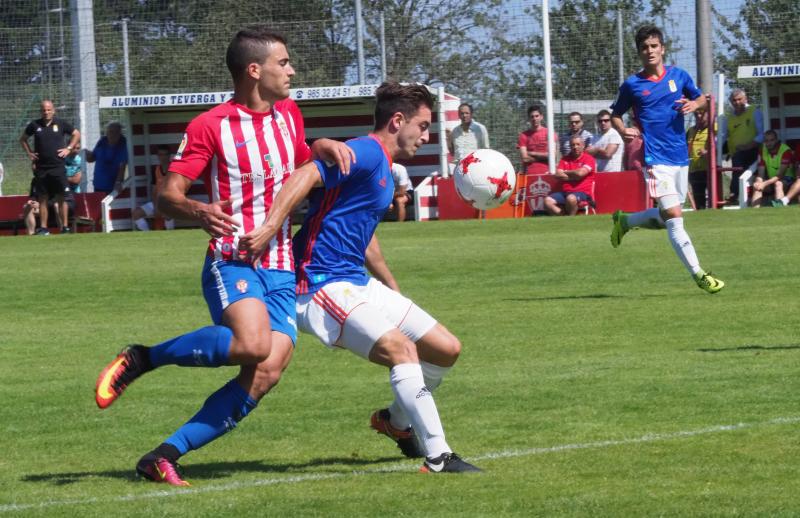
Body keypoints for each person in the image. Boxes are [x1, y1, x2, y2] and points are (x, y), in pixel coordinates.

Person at [93, 26, 353, 487]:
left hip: (280, 267)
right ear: (255, 70)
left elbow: (294, 161)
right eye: (284, 63)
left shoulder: (289, 114)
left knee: (266, 371)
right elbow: (168, 193)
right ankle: (144, 357)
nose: (292, 70)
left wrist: (321, 146)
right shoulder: (210, 126)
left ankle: (163, 455)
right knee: (253, 345)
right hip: (232, 260)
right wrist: (197, 208)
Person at [238, 82, 481, 474]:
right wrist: (270, 228)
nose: (426, 135)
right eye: (422, 125)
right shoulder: (367, 152)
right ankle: (439, 456)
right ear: (397, 120)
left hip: (356, 281)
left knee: (446, 348)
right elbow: (303, 176)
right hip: (319, 283)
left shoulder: (385, 165)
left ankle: (395, 423)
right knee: (401, 349)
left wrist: (390, 286)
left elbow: (363, 233)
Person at [609, 24, 724, 294]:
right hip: (654, 158)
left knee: (666, 218)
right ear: (639, 53)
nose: (649, 51)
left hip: (679, 157)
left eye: (653, 46)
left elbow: (703, 99)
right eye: (644, 48)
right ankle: (699, 274)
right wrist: (622, 129)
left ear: (662, 48)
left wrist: (694, 105)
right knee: (674, 217)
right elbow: (616, 113)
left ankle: (625, 222)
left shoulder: (679, 76)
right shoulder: (632, 85)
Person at [19, 99, 80, 235]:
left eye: (48, 109)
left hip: (58, 167)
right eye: (43, 110)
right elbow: (23, 139)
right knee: (43, 198)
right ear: (41, 111)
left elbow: (76, 134)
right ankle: (44, 228)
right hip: (42, 168)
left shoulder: (61, 123)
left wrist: (68, 148)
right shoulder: (34, 125)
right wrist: (29, 153)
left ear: (53, 110)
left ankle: (64, 227)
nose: (46, 112)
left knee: (61, 197)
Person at [719, 88, 763, 204]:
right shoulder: (728, 117)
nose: (737, 102)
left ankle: (735, 194)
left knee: (750, 173)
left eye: (739, 99)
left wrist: (749, 145)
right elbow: (722, 136)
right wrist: (713, 148)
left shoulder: (754, 111)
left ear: (745, 99)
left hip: (754, 151)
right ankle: (736, 196)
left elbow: (762, 134)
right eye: (734, 100)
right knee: (738, 170)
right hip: (736, 153)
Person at [545, 135, 596, 216]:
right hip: (566, 192)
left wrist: (565, 172)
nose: (575, 147)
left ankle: (571, 219)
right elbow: (557, 174)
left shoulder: (589, 159)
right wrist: (574, 177)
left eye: (578, 144)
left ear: (583, 146)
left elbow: (580, 173)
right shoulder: (564, 159)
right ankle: (563, 218)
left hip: (583, 193)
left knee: (571, 198)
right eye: (573, 145)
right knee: (548, 201)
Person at [132, 145, 175, 231]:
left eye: (165, 154)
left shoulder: (174, 169)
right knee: (136, 214)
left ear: (169, 156)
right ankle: (148, 234)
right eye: (160, 155)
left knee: (168, 215)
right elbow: (154, 191)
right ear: (157, 156)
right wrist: (156, 206)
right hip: (158, 203)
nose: (162, 157)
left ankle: (170, 234)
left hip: (171, 203)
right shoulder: (156, 170)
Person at [751, 130, 795, 207]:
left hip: (787, 179)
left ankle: (779, 210)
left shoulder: (785, 151)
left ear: (777, 140)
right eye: (766, 141)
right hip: (771, 180)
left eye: (772, 140)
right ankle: (754, 212)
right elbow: (761, 173)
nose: (769, 143)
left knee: (778, 184)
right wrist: (759, 182)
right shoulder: (762, 150)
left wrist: (764, 184)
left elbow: (780, 176)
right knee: (757, 184)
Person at [85, 121, 128, 194]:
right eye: (110, 132)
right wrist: (86, 154)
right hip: (98, 185)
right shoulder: (102, 141)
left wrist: (118, 182)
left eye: (116, 132)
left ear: (120, 133)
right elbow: (92, 158)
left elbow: (122, 166)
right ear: (107, 132)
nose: (113, 134)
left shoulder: (123, 144)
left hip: (112, 188)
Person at [518, 104, 557, 175]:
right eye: (532, 116)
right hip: (530, 174)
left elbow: (552, 156)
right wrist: (545, 158)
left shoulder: (550, 133)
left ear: (541, 117)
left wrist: (531, 153)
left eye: (537, 116)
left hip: (548, 172)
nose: (534, 119)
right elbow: (525, 159)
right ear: (529, 119)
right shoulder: (523, 135)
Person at [686, 108, 710, 209]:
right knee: (699, 200)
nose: (699, 116)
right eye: (697, 114)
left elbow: (721, 147)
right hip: (694, 170)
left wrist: (708, 153)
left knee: (714, 196)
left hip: (709, 169)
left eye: (702, 113)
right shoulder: (690, 131)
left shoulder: (714, 129)